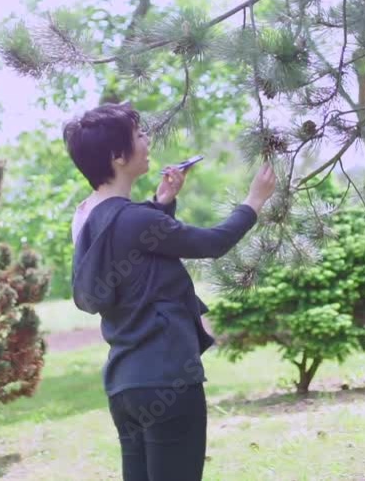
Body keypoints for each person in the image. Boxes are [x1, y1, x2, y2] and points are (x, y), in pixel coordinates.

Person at [64, 101, 277, 481]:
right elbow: (212, 243)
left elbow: (136, 257)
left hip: (125, 386)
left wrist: (163, 203)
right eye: (139, 135)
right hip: (168, 382)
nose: (147, 140)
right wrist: (254, 201)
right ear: (117, 156)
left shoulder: (86, 218)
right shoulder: (134, 219)